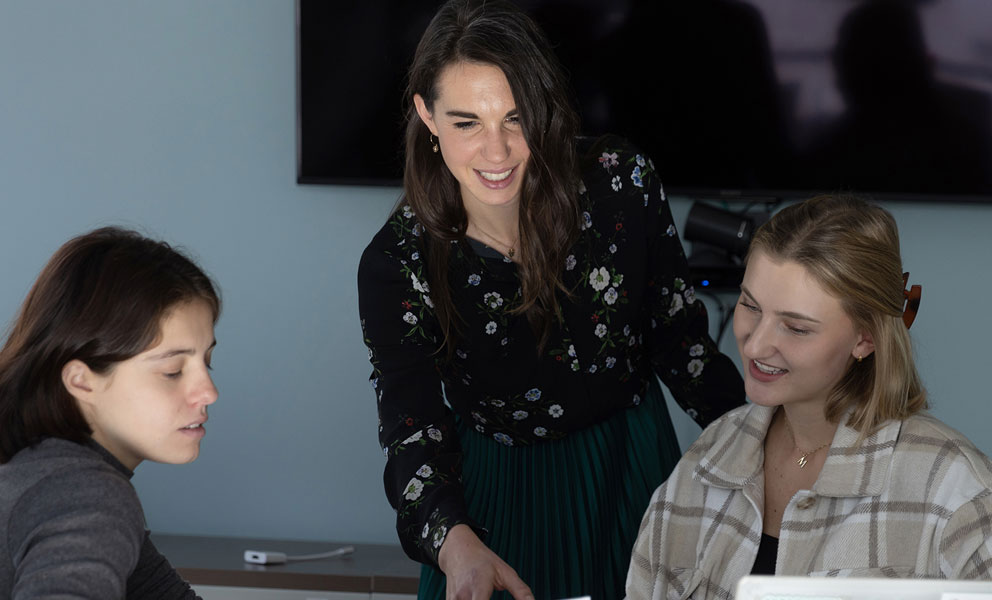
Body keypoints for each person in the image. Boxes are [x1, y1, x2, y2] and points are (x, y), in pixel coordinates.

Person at [356, 1, 744, 599]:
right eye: (466, 123)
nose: (497, 151)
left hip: (629, 469)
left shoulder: (622, 183)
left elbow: (684, 350)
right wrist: (456, 546)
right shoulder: (396, 263)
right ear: (426, 117)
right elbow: (414, 434)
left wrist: (773, 444)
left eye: (517, 118)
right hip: (492, 500)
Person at [626, 195, 992, 599]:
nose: (754, 346)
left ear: (865, 339)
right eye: (750, 306)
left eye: (796, 328)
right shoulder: (709, 455)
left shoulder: (956, 490)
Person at [0, 227, 220, 599]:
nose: (209, 392)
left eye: (207, 361)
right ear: (82, 381)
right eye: (173, 371)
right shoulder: (85, 494)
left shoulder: (41, 470)